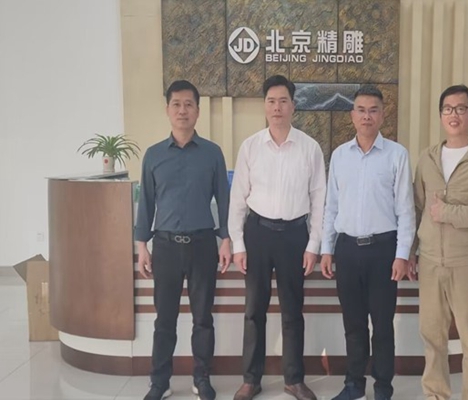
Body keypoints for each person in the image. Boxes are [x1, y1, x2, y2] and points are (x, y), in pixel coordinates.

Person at [228, 75, 326, 400]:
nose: (277, 107)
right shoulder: (250, 147)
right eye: (271, 101)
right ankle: (250, 379)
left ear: (293, 106)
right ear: (264, 106)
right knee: (254, 310)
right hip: (257, 234)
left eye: (283, 101)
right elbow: (238, 199)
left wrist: (313, 245)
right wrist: (238, 244)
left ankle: (294, 379)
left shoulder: (310, 148)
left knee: (292, 311)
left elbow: (319, 200)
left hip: (295, 236)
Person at [135, 80, 231, 400]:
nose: (182, 110)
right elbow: (146, 203)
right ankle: (159, 381)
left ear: (197, 111)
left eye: (189, 104)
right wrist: (141, 246)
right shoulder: (153, 155)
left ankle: (201, 378)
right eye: (176, 104)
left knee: (203, 319)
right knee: (165, 319)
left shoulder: (212, 153)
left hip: (203, 245)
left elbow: (224, 199)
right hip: (164, 247)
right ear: (167, 110)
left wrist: (226, 238)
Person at [408, 84, 468, 400]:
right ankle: (435, 394)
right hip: (430, 262)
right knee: (432, 337)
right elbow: (417, 208)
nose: (454, 114)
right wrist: (410, 253)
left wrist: (448, 212)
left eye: (461, 109)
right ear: (441, 115)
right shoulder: (428, 158)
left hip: (466, 263)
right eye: (448, 109)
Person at [320, 85, 416, 400]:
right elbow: (331, 207)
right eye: (361, 110)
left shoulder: (397, 155)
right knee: (354, 324)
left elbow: (405, 210)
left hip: (383, 251)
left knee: (383, 325)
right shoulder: (339, 156)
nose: (367, 116)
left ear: (382, 115)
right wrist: (326, 249)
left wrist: (402, 254)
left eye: (373, 110)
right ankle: (354, 385)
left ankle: (383, 387)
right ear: (352, 115)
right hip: (347, 250)